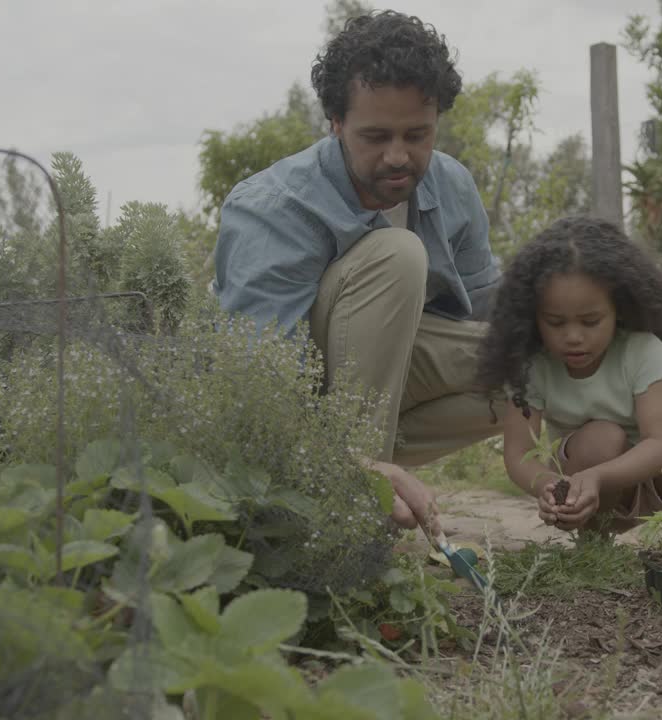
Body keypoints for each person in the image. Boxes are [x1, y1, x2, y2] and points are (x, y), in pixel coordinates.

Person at [211, 10, 503, 535]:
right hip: (294, 405)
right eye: (375, 136)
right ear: (336, 124)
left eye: (418, 134)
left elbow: (487, 306)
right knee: (398, 255)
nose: (398, 156)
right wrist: (351, 463)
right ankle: (353, 512)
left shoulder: (452, 185)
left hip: (379, 397)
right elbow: (258, 379)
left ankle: (372, 477)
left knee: (530, 364)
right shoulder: (272, 207)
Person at [476, 215, 662, 537]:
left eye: (590, 321)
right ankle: (595, 541)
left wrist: (599, 475)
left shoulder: (641, 350)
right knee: (602, 436)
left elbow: (659, 443)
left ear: (619, 309)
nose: (573, 336)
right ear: (532, 316)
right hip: (590, 496)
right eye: (556, 322)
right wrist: (549, 485)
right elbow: (517, 453)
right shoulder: (531, 366)